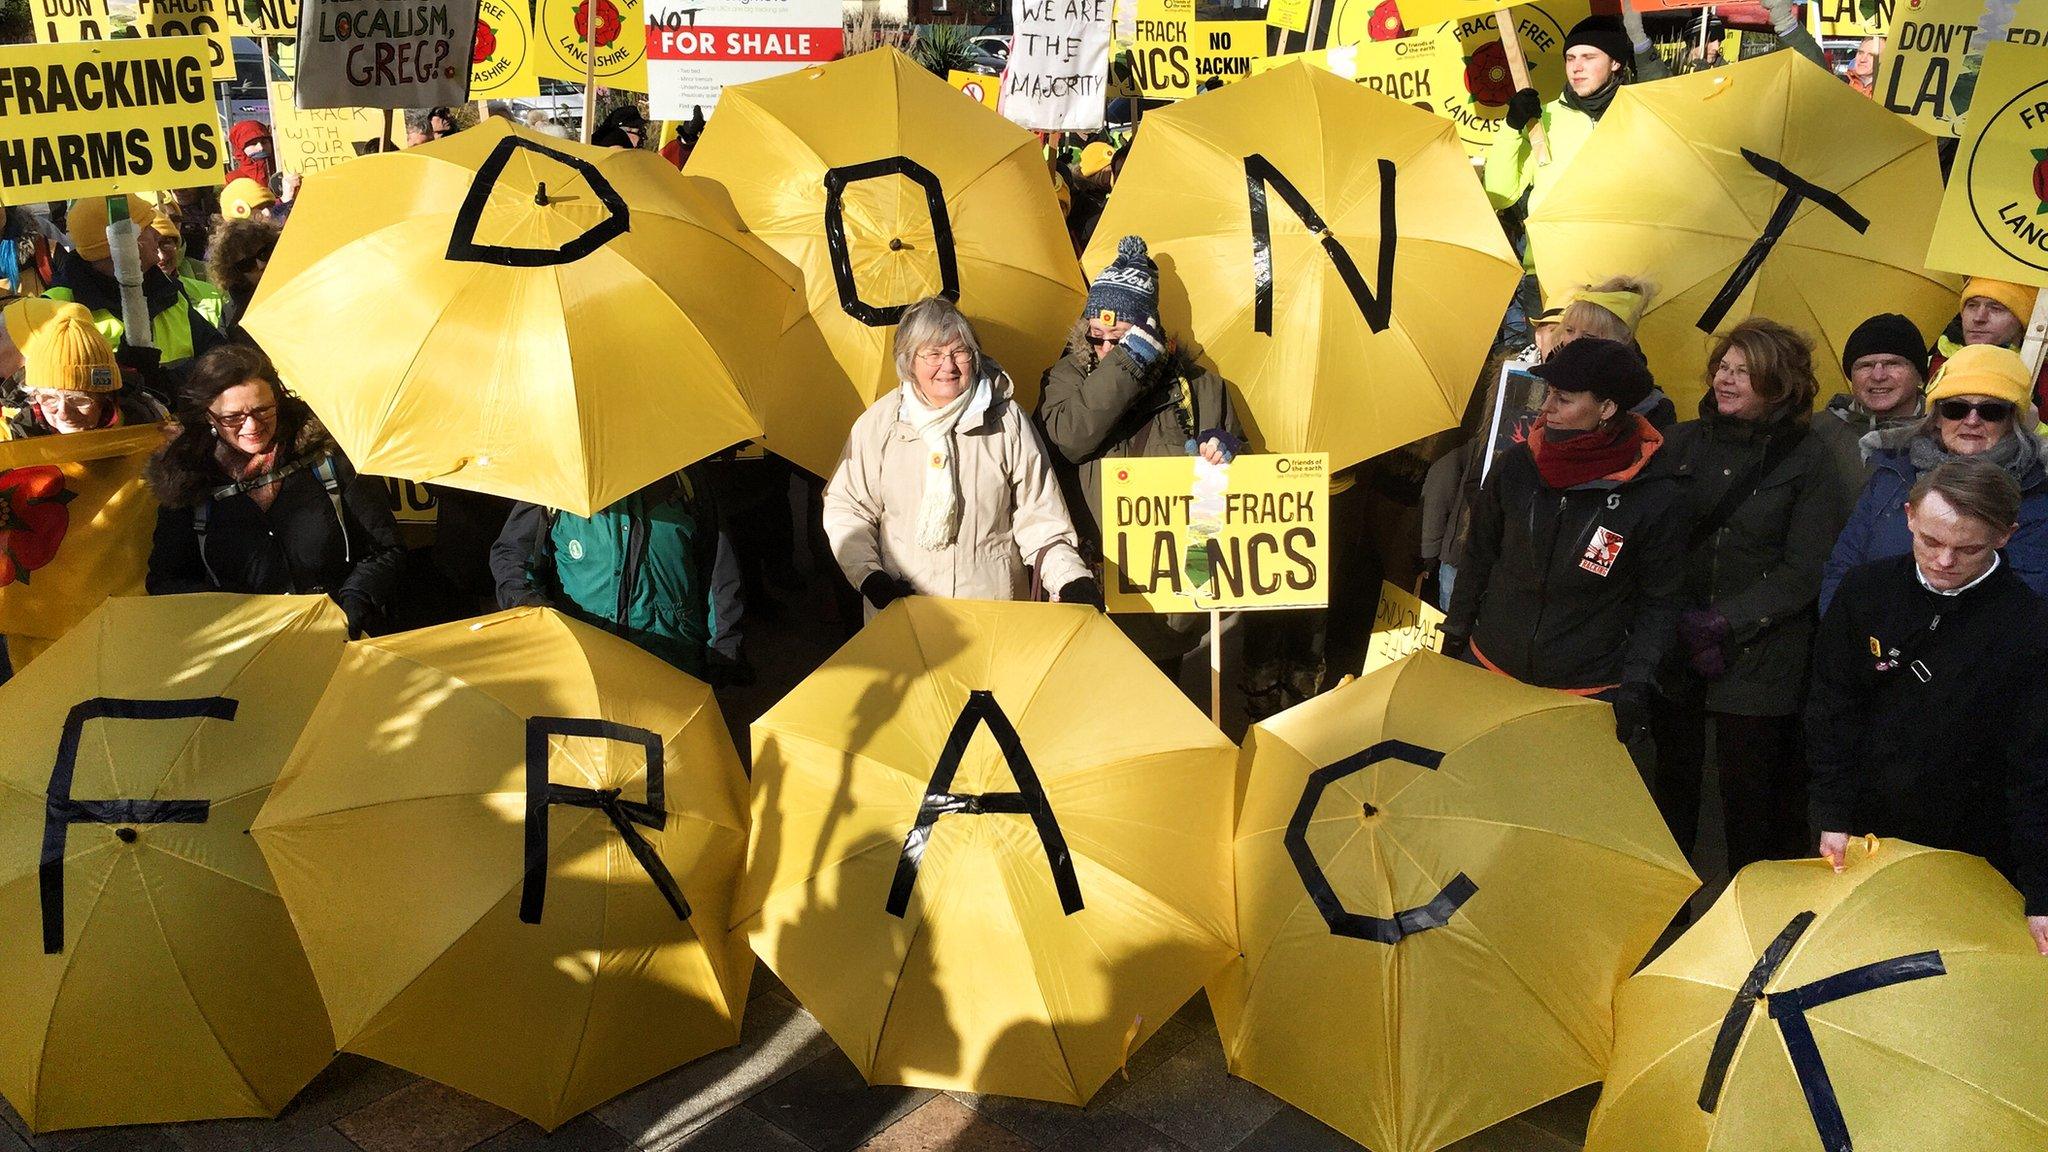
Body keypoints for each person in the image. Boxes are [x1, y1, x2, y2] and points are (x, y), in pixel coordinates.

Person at [1807, 459, 2048, 953]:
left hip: (1975, 842)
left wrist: (2040, 889)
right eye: (1931, 542)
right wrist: (1831, 813)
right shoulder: (1865, 591)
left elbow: (2035, 764)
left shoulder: (2028, 624)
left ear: (2005, 536)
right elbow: (1833, 711)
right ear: (1909, 516)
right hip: (1868, 829)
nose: (1943, 562)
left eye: (1968, 549)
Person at [1650, 319, 1839, 869]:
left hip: (1761, 658)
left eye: (1744, 373)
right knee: (1670, 791)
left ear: (1779, 385)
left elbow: (1806, 569)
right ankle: (1666, 913)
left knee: (1752, 804)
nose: (1727, 381)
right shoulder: (1680, 441)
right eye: (1723, 369)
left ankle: (1753, 920)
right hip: (1674, 651)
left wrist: (1726, 620)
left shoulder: (1809, 459)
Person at [1442, 336, 1685, 761]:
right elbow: (1479, 553)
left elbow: (1659, 601)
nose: (1546, 407)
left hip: (1586, 687)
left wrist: (1638, 681)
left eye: (1565, 398)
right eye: (1548, 394)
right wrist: (1457, 630)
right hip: (1492, 665)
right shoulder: (1516, 465)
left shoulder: (1653, 493)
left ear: (1607, 409)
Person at [1038, 235, 1241, 674]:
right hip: (1094, 591)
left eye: (1121, 339)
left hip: (1164, 605)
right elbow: (1071, 436)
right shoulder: (1066, 376)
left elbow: (1231, 497)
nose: (1106, 351)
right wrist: (1129, 364)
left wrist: (1225, 452)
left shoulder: (1200, 388)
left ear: (1152, 330)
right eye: (1098, 338)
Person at [824, 295, 1094, 614]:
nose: (948, 366)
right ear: (908, 361)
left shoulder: (1007, 421)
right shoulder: (881, 424)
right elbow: (848, 507)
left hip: (994, 611)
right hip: (903, 611)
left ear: (974, 356)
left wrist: (1070, 579)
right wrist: (870, 577)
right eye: (933, 354)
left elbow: (1040, 518)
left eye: (959, 352)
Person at [144, 345, 402, 636]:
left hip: (346, 634)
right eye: (233, 418)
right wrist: (230, 617)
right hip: (250, 648)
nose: (252, 425)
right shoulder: (187, 481)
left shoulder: (327, 456)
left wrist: (354, 602)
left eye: (263, 410)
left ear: (278, 399)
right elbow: (167, 580)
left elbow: (385, 547)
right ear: (208, 416)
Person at [1822, 344, 2048, 610]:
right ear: (1938, 417)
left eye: (1991, 411)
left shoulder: (2035, 493)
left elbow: (2021, 601)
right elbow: (1844, 564)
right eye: (1955, 408)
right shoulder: (1895, 470)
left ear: (2012, 420)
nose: (1972, 420)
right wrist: (1843, 630)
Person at [491, 467, 741, 678]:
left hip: (673, 661)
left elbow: (718, 569)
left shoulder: (684, 478)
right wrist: (533, 609)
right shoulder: (557, 480)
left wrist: (723, 648)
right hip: (584, 662)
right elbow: (513, 557)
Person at [46, 195, 224, 382]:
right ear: (118, 242)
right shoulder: (57, 311)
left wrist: (167, 382)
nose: (157, 234)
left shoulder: (168, 292)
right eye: (146, 227)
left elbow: (220, 357)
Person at [1812, 313, 1928, 518]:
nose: (1878, 376)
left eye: (1893, 363)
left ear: (1919, 374)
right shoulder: (1817, 431)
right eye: (1865, 365)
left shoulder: (1947, 432)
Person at [3, 303, 165, 439]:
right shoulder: (14, 439)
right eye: (49, 399)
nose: (64, 414)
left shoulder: (153, 430)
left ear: (106, 397)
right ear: (34, 397)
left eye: (79, 400)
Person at [1539, 276, 1677, 428]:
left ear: (1621, 341)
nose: (1574, 341)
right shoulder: (1548, 378)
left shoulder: (1652, 408)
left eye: (1588, 336)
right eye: (1569, 330)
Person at [1929, 278, 2046, 409]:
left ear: (2022, 321)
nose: (1979, 318)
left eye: (1996, 308)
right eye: (1972, 305)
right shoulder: (1927, 366)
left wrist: (2035, 427)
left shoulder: (2043, 380)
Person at [206, 217, 282, 340]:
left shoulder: (302, 278)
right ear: (235, 273)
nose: (261, 265)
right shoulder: (235, 320)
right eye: (247, 264)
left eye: (264, 254)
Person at [224, 120, 277, 191]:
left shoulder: (283, 171)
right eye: (253, 144)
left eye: (264, 142)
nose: (261, 148)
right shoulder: (233, 180)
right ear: (240, 149)